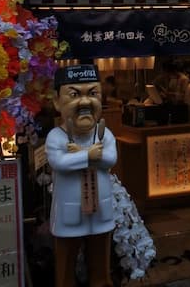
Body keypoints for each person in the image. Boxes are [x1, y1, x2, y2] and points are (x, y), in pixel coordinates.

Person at [45, 63, 117, 287]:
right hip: (69, 213)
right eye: (74, 95)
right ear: (57, 101)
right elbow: (59, 162)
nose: (85, 102)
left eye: (93, 94)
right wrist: (89, 156)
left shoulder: (105, 134)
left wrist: (84, 154)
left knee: (101, 266)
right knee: (65, 266)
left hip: (100, 211)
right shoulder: (56, 136)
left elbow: (110, 159)